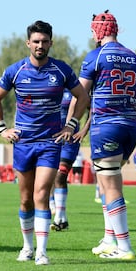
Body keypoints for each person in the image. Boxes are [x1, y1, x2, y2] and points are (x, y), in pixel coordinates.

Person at [0, 20, 89, 266]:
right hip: (23, 143)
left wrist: (71, 125)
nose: (40, 45)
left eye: (44, 41)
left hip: (50, 142)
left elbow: (83, 96)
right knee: (25, 198)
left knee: (42, 194)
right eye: (36, 41)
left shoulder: (62, 70)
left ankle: (42, 252)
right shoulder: (16, 70)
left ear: (51, 43)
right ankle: (27, 247)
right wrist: (3, 129)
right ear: (28, 43)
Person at [73, 11, 136, 261]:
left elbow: (81, 95)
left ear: (97, 32)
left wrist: (71, 123)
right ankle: (109, 239)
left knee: (111, 186)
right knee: (106, 182)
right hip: (131, 127)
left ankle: (124, 247)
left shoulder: (95, 57)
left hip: (106, 125)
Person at [50, 89, 81, 231]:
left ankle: (58, 217)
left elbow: (91, 109)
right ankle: (61, 218)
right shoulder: (49, 88)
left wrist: (84, 130)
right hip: (51, 138)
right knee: (49, 176)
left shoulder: (75, 90)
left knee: (60, 175)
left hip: (70, 139)